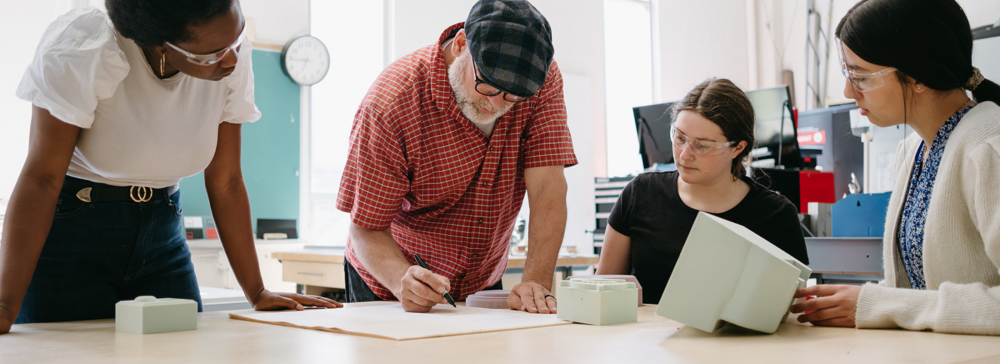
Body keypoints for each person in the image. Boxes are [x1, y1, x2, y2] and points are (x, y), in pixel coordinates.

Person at [0, 0, 340, 334]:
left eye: (237, 40)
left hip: (163, 235)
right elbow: (41, 180)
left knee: (182, 353)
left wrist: (257, 292)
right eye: (214, 53)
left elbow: (227, 182)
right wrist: (4, 305)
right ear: (161, 44)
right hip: (73, 232)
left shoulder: (229, 54)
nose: (232, 59)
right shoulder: (87, 45)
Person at [337, 0, 577, 313]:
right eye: (487, 87)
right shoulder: (391, 105)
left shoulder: (537, 80)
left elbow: (548, 188)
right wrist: (400, 281)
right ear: (462, 45)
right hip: (393, 283)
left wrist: (536, 281)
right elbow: (366, 228)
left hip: (482, 281)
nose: (496, 105)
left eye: (512, 97)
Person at [790, 0, 1000, 335]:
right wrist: (859, 300)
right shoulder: (913, 149)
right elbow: (918, 291)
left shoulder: (988, 146)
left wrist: (877, 304)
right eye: (848, 74)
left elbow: (912, 304)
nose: (847, 91)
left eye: (860, 76)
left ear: (916, 74)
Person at [596, 78, 809, 304]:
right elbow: (603, 291)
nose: (685, 154)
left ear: (738, 148)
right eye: (679, 137)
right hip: (646, 338)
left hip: (740, 339)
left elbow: (793, 309)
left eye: (703, 145)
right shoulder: (640, 194)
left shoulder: (775, 215)